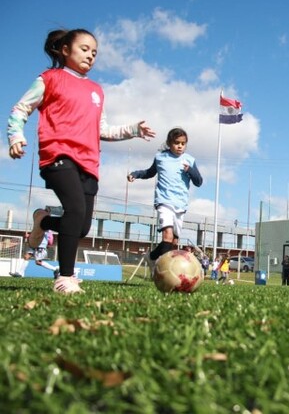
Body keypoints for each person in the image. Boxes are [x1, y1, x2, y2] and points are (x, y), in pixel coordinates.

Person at [7, 28, 155, 294]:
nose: (91, 55)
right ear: (65, 50)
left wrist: (133, 129)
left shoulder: (96, 90)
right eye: (84, 49)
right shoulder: (49, 79)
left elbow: (103, 130)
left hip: (89, 163)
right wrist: (15, 135)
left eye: (94, 52)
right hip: (58, 155)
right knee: (74, 211)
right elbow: (21, 108)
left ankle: (43, 222)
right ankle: (65, 277)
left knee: (81, 225)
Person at [128, 127, 202, 273]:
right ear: (169, 143)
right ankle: (164, 272)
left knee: (174, 242)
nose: (180, 146)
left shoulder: (189, 160)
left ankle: (152, 257)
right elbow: (149, 172)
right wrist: (136, 174)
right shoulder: (160, 158)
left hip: (180, 205)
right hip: (164, 201)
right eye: (176, 143)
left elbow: (199, 181)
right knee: (167, 236)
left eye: (183, 143)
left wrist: (190, 171)